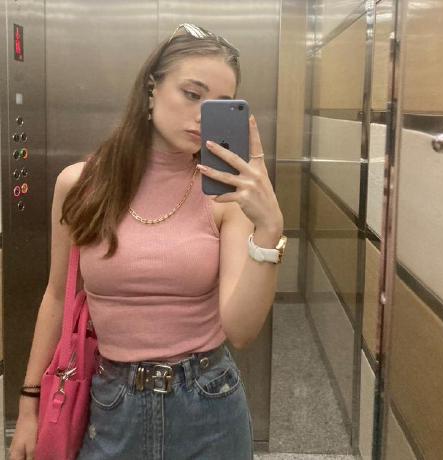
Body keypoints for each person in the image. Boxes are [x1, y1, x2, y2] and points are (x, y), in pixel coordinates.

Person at [9, 23, 286, 460]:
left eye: (219, 104)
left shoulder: (225, 198)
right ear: (151, 90)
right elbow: (57, 298)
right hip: (110, 405)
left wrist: (269, 229)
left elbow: (241, 330)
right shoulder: (79, 185)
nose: (202, 115)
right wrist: (28, 406)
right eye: (191, 94)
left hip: (209, 403)